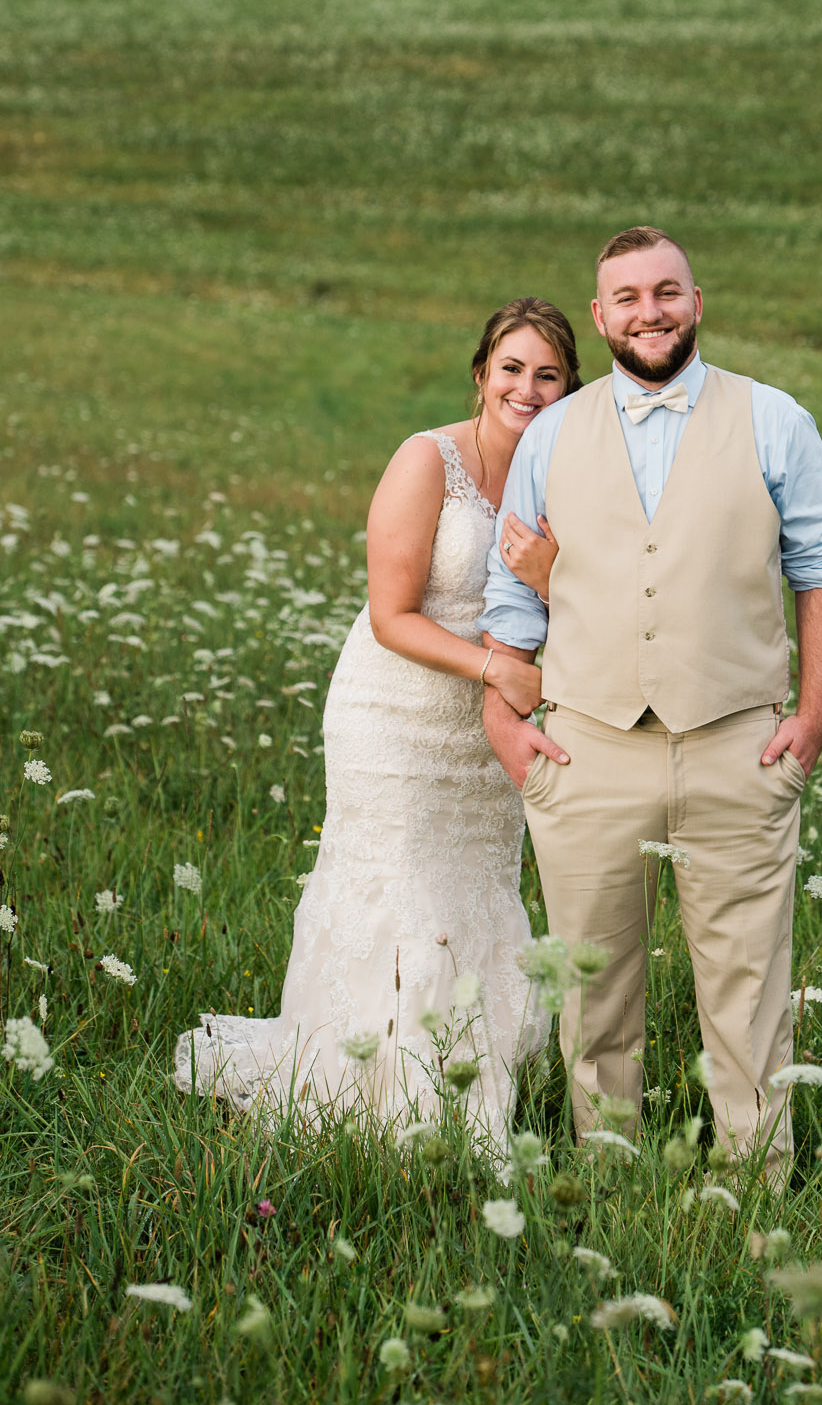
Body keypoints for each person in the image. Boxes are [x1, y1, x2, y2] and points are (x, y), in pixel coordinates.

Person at [481, 228, 822, 1164]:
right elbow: (510, 591)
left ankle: (756, 1182)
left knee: (748, 989)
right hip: (586, 745)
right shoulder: (556, 432)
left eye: (667, 292)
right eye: (628, 298)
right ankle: (603, 1182)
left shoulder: (775, 419)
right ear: (601, 316)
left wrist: (810, 720)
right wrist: (504, 725)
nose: (649, 312)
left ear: (696, 302)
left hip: (738, 742)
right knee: (591, 988)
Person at [174, 298, 578, 1145]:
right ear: (480, 375)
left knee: (473, 891)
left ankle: (467, 1073)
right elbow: (391, 613)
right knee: (402, 888)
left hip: (491, 728)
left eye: (547, 375)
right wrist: (493, 666)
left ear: (569, 387)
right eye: (511, 369)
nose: (527, 389)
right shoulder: (427, 459)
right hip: (394, 715)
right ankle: (363, 1088)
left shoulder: (569, 476)